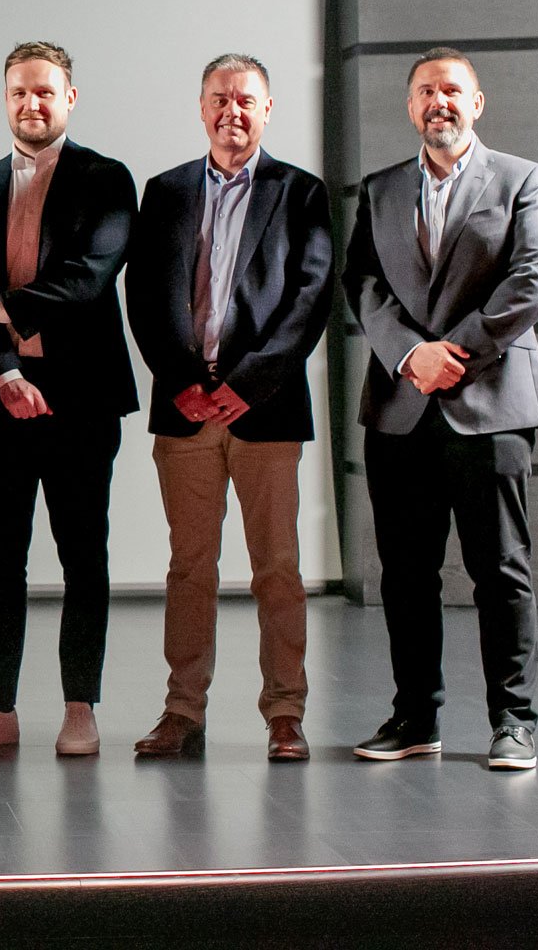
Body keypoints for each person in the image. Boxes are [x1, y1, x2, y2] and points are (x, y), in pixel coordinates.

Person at [344, 47, 538, 771]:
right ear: (410, 107)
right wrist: (411, 355)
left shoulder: (523, 179)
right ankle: (414, 720)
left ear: (477, 103)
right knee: (405, 574)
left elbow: (533, 282)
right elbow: (363, 286)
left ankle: (514, 723)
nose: (440, 101)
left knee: (500, 568)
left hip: (491, 403)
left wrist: (451, 352)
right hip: (401, 406)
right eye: (426, 91)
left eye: (453, 90)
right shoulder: (379, 189)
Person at [125, 53, 333, 763]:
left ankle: (285, 713)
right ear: (202, 106)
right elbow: (146, 297)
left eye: (246, 100)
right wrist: (181, 378)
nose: (231, 111)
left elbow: (310, 300)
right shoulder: (166, 191)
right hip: (185, 408)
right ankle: (183, 711)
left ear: (267, 109)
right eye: (219, 98)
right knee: (190, 566)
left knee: (276, 566)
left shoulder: (300, 192)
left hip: (265, 409)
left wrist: (251, 381)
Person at [0, 40, 136, 755]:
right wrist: (4, 371)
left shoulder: (108, 179)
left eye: (45, 91)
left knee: (84, 555)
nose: (32, 103)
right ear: (6, 98)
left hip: (81, 398)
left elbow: (89, 277)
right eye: (19, 92)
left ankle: (80, 707)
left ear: (69, 98)